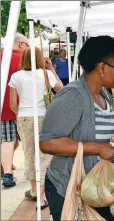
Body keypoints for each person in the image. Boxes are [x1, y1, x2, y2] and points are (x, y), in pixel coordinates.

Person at [39, 36, 114, 221]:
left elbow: (110, 141)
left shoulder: (104, 95)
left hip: (98, 189)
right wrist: (95, 148)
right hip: (71, 188)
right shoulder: (74, 95)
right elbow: (47, 142)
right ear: (102, 67)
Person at [9, 47, 63, 209]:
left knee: (29, 153)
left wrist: (22, 114)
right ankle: (41, 195)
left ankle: (33, 190)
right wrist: (51, 69)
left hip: (24, 117)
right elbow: (61, 88)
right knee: (45, 155)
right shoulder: (45, 74)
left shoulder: (15, 76)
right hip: (43, 116)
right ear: (40, 58)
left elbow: (13, 104)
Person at [0, 33, 29, 187]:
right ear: (20, 44)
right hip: (25, 106)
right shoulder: (24, 59)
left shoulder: (1, 56)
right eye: (27, 45)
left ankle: (7, 174)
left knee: (8, 139)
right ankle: (32, 171)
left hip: (4, 107)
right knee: (29, 140)